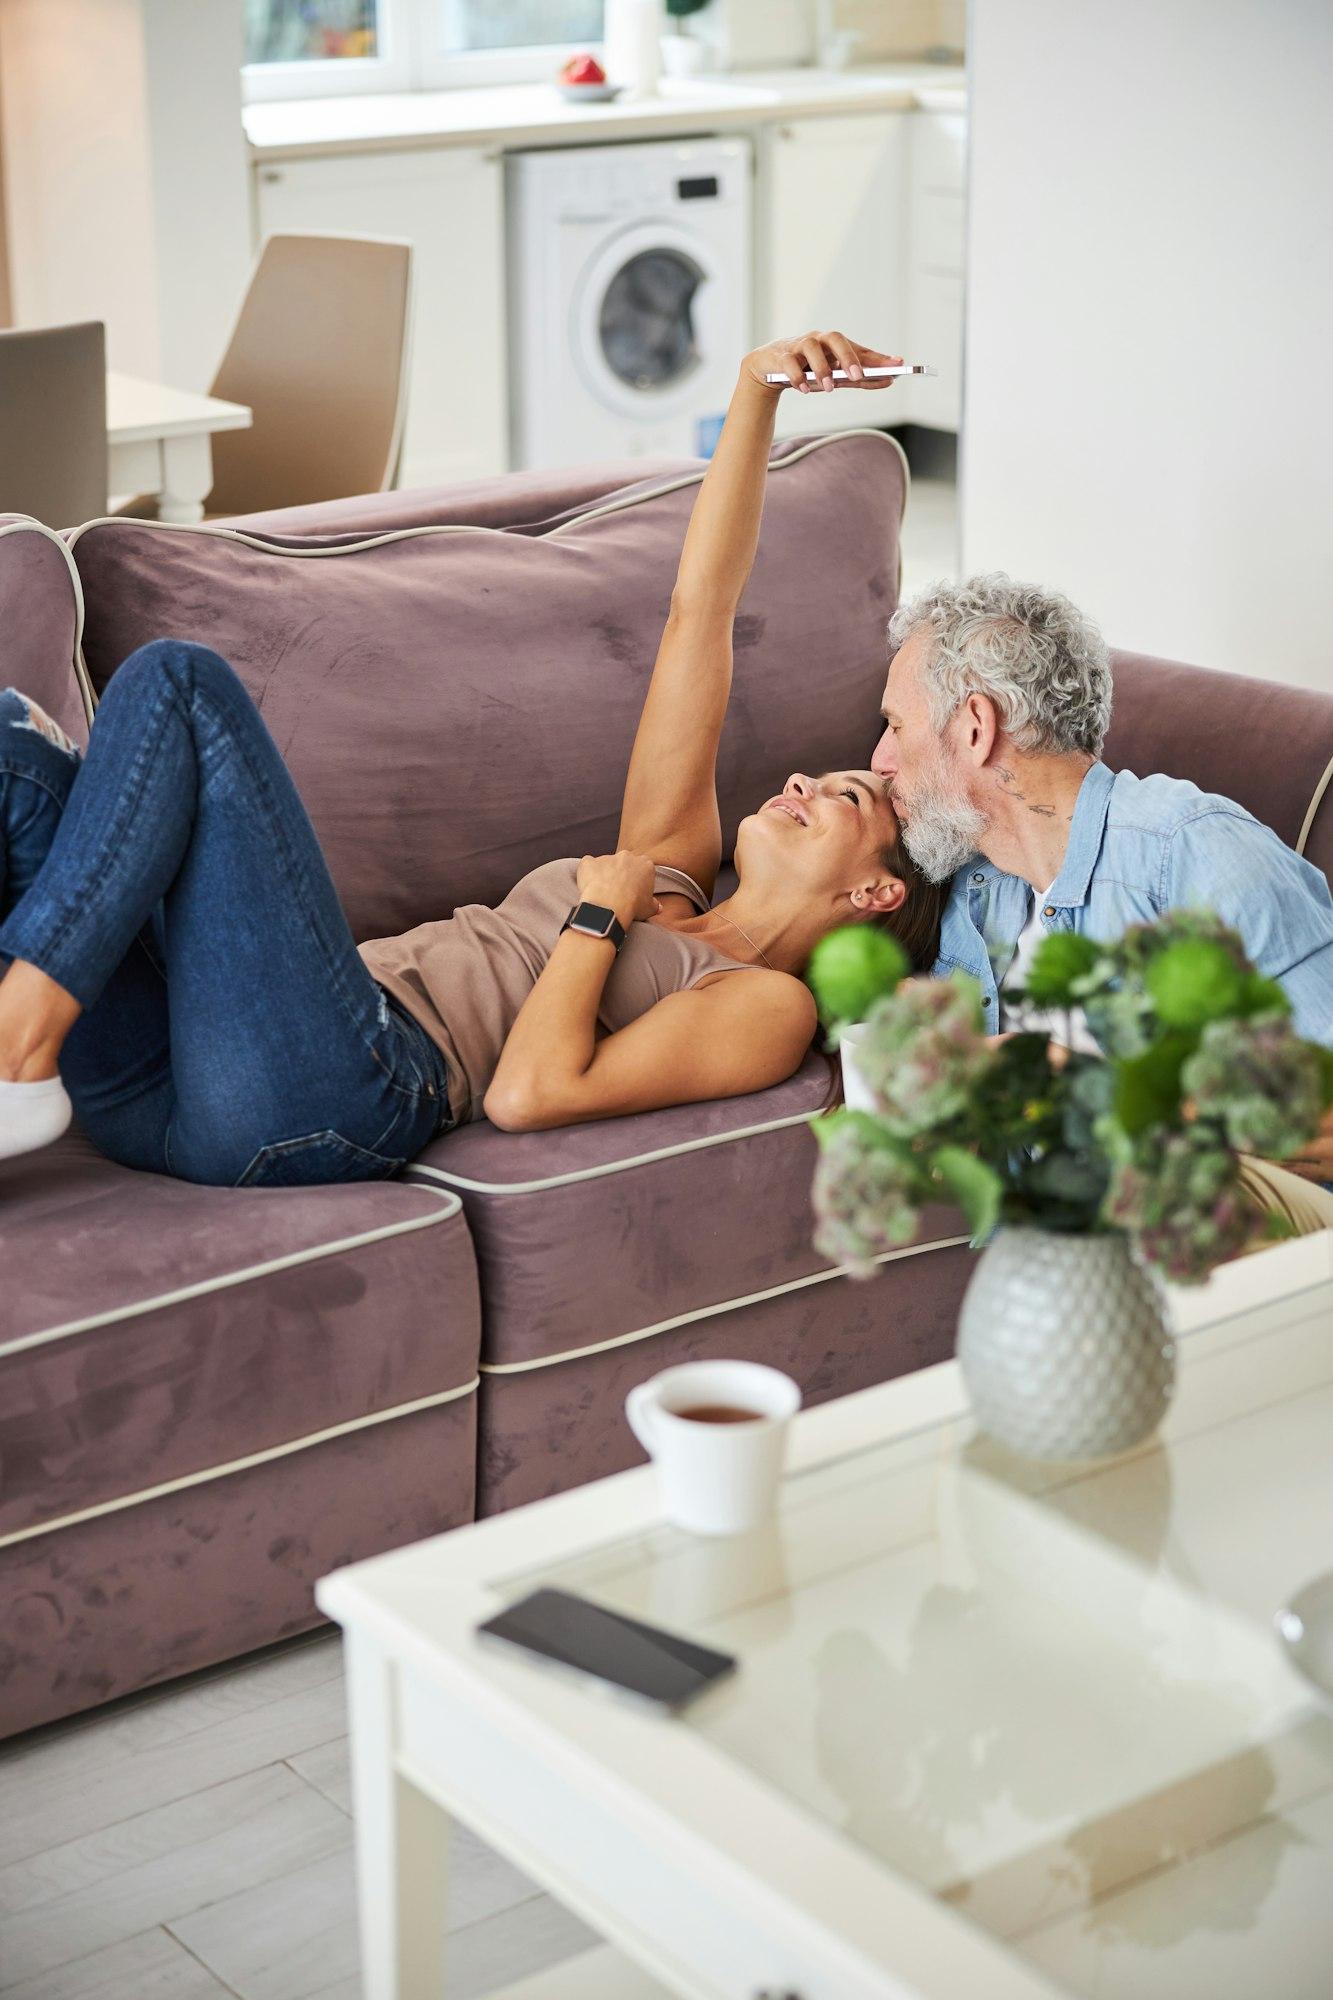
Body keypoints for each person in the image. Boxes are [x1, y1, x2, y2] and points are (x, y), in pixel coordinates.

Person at [0, 330, 942, 1184]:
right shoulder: (669, 870)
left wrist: (595, 921)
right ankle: (26, 1045)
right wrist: (755, 391)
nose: (798, 782)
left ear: (876, 892)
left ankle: (22, 1033)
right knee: (16, 758)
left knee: (179, 684)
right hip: (185, 1070)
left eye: (843, 795)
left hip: (334, 1095)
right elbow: (702, 610)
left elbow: (528, 1094)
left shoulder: (764, 1006)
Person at [870, 574, 1333, 1231]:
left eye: (893, 725)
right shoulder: (974, 892)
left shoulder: (1192, 852)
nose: (880, 758)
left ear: (974, 727)